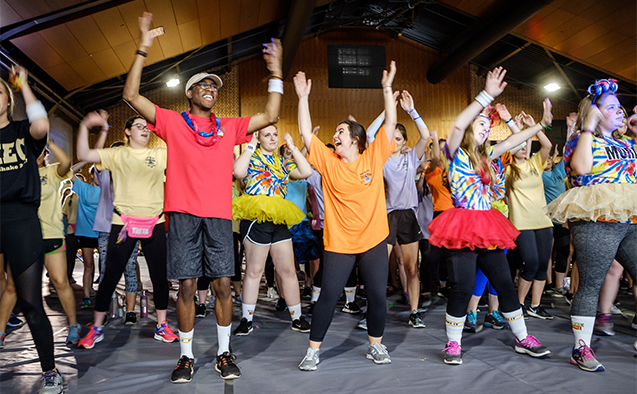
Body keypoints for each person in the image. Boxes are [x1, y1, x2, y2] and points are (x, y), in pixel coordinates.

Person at [122, 12, 283, 382]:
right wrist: (143, 48)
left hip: (219, 215)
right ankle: (186, 356)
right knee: (188, 287)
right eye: (203, 85)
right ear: (189, 93)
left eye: (215, 85)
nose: (211, 88)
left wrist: (275, 72)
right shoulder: (172, 122)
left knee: (224, 283)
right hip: (181, 215)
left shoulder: (229, 128)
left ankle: (224, 353)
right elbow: (130, 96)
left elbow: (272, 113)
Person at [427, 67, 551, 365]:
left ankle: (523, 338)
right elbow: (457, 125)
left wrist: (541, 126)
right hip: (462, 226)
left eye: (486, 125)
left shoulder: (487, 156)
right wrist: (485, 96)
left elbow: (511, 142)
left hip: (487, 226)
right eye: (480, 124)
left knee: (505, 284)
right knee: (463, 288)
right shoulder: (454, 153)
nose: (484, 129)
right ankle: (453, 344)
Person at [295, 60, 398, 371]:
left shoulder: (373, 156)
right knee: (328, 296)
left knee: (378, 296)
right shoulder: (329, 161)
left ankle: (376, 345)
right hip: (340, 242)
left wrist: (386, 89)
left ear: (355, 139)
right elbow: (304, 131)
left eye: (340, 131)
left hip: (373, 239)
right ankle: (313, 351)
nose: (335, 135)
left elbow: (391, 125)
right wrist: (302, 97)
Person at [546, 79, 637, 372]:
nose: (619, 111)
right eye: (611, 107)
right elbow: (582, 168)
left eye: (619, 106)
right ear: (595, 113)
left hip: (629, 219)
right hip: (596, 220)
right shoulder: (584, 139)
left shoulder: (624, 142)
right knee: (590, 284)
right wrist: (587, 126)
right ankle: (581, 348)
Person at [76, 113, 178, 350]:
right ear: (128, 132)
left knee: (159, 276)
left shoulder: (160, 154)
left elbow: (186, 153)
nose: (145, 130)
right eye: (139, 126)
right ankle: (97, 327)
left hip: (154, 222)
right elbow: (83, 154)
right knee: (110, 275)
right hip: (123, 223)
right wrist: (84, 126)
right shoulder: (117, 154)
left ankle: (162, 325)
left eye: (147, 127)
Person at [0, 68, 63, 393]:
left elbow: (42, 125)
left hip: (20, 219)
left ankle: (50, 370)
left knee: (29, 300)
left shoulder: (22, 130)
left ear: (7, 100)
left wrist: (22, 85)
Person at [232, 127, 312, 335]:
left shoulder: (282, 162)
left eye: (274, 134)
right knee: (254, 271)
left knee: (287, 270)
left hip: (278, 219)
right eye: (266, 134)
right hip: (256, 218)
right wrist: (250, 145)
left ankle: (297, 317)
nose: (272, 138)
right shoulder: (252, 157)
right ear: (258, 138)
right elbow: (238, 172)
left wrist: (293, 148)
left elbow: (306, 172)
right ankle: (246, 320)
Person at [369, 90, 430, 326]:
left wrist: (411, 111)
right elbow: (370, 133)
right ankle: (374, 313)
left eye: (399, 138)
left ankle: (414, 312)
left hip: (408, 216)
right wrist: (388, 111)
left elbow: (424, 134)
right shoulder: (380, 159)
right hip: (386, 216)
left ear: (405, 141)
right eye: (390, 137)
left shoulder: (411, 157)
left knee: (412, 268)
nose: (394, 142)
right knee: (379, 268)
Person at [505, 105, 555, 320]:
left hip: (543, 221)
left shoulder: (536, 163)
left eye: (525, 145)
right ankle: (517, 305)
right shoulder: (508, 170)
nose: (524, 148)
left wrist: (533, 126)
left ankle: (535, 305)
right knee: (531, 263)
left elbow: (547, 144)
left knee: (543, 265)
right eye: (519, 145)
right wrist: (517, 128)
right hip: (521, 223)